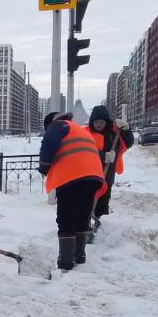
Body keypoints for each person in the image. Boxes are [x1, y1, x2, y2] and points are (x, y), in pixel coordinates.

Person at [38, 113, 106, 271]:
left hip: (73, 177)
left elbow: (49, 143)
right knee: (82, 217)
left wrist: (44, 167)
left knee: (66, 219)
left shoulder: (59, 125)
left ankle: (66, 262)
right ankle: (79, 256)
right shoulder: (79, 129)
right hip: (93, 177)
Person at [86, 105, 134, 231]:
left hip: (107, 173)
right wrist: (102, 156)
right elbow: (84, 151)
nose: (99, 125)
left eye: (101, 122)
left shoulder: (113, 133)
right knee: (88, 197)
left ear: (106, 122)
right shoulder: (86, 134)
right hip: (90, 172)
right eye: (96, 122)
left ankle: (97, 218)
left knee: (103, 198)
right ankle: (86, 220)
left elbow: (127, 143)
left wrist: (126, 130)